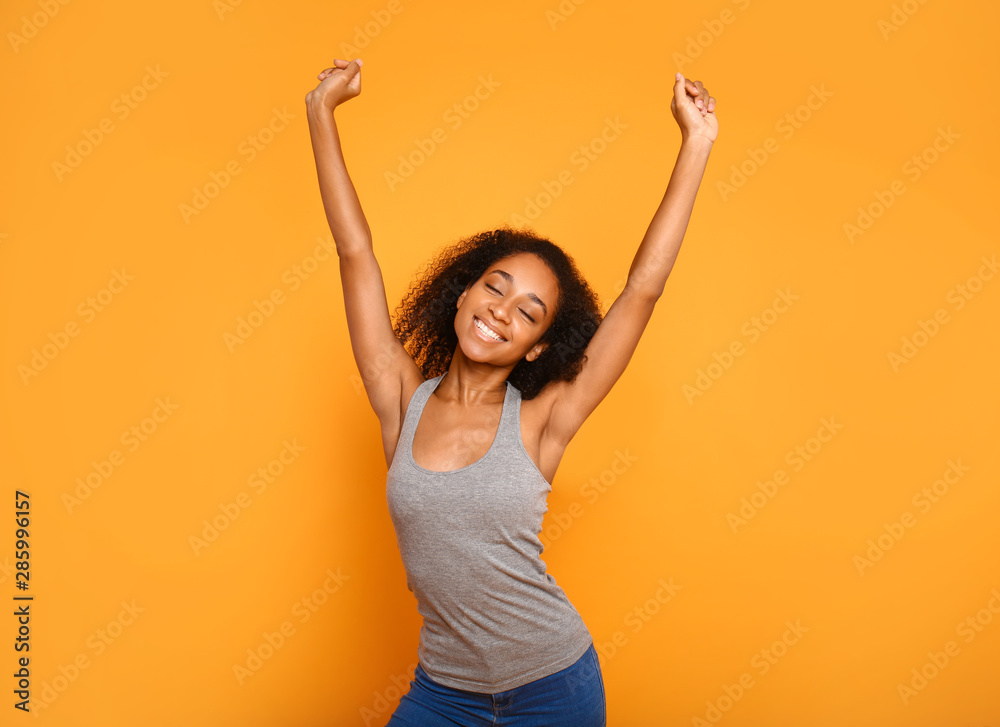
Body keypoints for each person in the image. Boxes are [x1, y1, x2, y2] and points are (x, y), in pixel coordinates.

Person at [305, 57, 717, 727]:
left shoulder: (544, 419)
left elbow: (643, 289)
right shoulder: (399, 399)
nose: (501, 309)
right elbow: (355, 250)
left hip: (554, 688)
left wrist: (696, 143)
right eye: (495, 286)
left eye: (528, 312)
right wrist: (320, 114)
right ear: (463, 291)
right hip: (442, 693)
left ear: (535, 347)